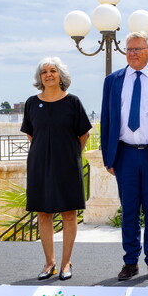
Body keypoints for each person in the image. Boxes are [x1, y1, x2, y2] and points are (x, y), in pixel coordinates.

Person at [100, 31, 148, 282]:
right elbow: (107, 118)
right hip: (125, 155)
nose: (131, 54)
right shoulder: (113, 81)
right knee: (129, 211)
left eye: (137, 49)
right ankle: (130, 262)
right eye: (128, 49)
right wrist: (108, 157)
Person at [21, 57, 91, 281]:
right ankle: (49, 263)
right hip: (39, 165)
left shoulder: (73, 102)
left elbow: (84, 134)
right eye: (44, 72)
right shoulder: (32, 103)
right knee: (44, 213)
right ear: (39, 77)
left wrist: (70, 155)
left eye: (53, 70)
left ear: (61, 75)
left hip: (67, 165)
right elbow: (32, 135)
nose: (48, 74)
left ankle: (65, 263)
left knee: (69, 213)